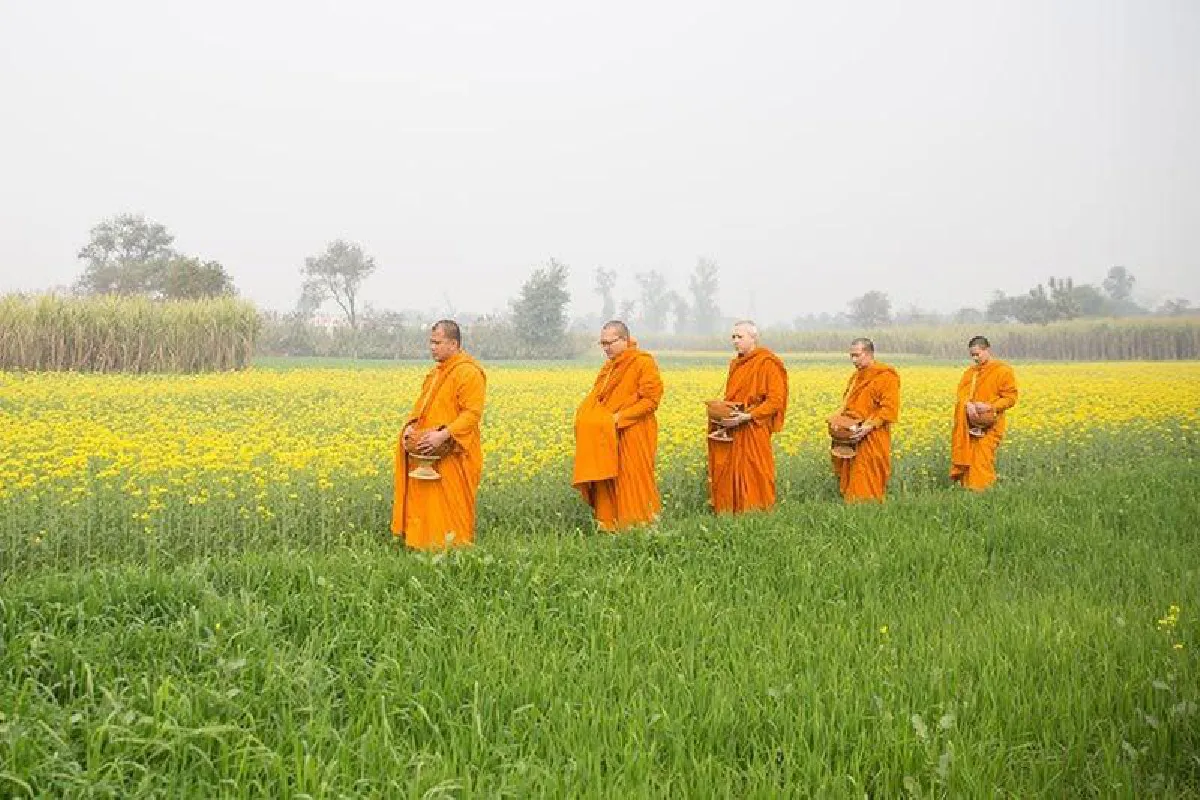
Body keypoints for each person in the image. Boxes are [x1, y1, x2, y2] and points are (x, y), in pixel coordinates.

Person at [391, 320, 487, 549]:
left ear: (453, 344)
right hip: (426, 454)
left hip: (453, 453)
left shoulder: (468, 372)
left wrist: (443, 436)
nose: (432, 347)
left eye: (437, 343)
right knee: (425, 501)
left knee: (450, 508)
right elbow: (421, 408)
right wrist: (409, 428)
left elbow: (472, 413)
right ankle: (421, 546)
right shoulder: (435, 374)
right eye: (431, 342)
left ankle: (455, 550)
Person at [572, 321, 663, 531]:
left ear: (624, 340)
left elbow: (651, 401)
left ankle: (638, 526)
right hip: (607, 433)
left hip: (635, 431)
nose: (605, 348)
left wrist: (619, 418)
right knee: (607, 477)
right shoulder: (609, 367)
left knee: (632, 479)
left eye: (609, 343)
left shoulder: (642, 362)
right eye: (602, 344)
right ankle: (609, 526)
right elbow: (598, 399)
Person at [706, 320, 789, 513]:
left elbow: (775, 400)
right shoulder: (736, 364)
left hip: (754, 427)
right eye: (733, 337)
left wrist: (748, 416)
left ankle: (757, 512)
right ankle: (732, 511)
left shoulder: (767, 363)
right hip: (734, 426)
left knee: (755, 470)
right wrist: (723, 412)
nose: (735, 341)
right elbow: (731, 396)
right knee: (731, 469)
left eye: (740, 337)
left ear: (753, 338)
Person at [831, 337, 900, 503]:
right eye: (851, 356)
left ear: (869, 354)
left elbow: (888, 409)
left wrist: (868, 427)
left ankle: (869, 509)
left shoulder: (886, 376)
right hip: (851, 435)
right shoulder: (855, 377)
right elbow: (847, 403)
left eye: (857, 355)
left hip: (872, 435)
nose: (853, 360)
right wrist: (837, 420)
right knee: (852, 476)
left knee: (867, 476)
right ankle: (853, 508)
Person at [950, 335, 1019, 491]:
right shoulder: (970, 373)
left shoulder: (1002, 371)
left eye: (977, 354)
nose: (975, 358)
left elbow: (1010, 398)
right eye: (972, 355)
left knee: (982, 460)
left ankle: (983, 493)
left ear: (987, 350)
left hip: (990, 424)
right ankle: (967, 492)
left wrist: (990, 407)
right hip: (970, 424)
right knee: (969, 458)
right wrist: (967, 405)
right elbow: (961, 395)